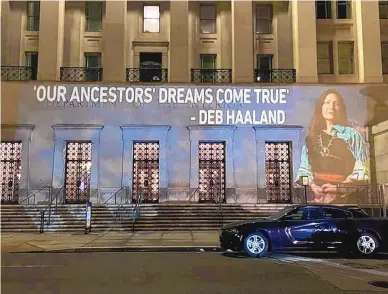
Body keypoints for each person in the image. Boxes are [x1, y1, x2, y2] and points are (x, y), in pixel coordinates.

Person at [295, 89, 369, 204]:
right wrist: (313, 187)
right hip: (318, 197)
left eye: (336, 103)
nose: (332, 107)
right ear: (321, 107)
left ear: (341, 109)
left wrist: (339, 188)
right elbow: (304, 170)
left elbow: (361, 169)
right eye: (327, 102)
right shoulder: (311, 138)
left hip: (345, 197)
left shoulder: (352, 135)